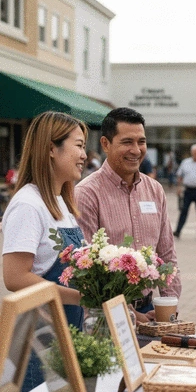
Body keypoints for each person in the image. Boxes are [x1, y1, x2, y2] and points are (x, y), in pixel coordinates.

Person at [1, 111, 88, 392]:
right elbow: (15, 277)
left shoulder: (62, 204)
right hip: (38, 345)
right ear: (52, 148)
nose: (85, 155)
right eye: (79, 145)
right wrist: (80, 296)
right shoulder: (29, 204)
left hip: (65, 335)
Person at [75, 107, 181, 324]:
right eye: (127, 142)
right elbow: (86, 270)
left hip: (150, 308)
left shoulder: (155, 190)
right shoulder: (87, 193)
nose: (136, 150)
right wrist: (132, 316)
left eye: (141, 142)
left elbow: (167, 254)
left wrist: (169, 305)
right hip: (105, 314)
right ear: (105, 144)